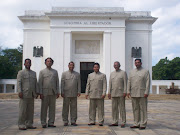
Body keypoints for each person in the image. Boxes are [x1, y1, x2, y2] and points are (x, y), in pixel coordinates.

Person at [127, 59, 150, 130]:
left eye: (138, 62)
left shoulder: (145, 71)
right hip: (133, 93)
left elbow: (147, 82)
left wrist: (146, 92)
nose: (137, 64)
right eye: (136, 63)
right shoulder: (131, 72)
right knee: (135, 109)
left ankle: (143, 124)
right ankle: (136, 123)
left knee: (143, 109)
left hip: (142, 93)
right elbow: (129, 82)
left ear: (141, 63)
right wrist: (128, 91)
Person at [17, 58, 38, 130]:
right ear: (24, 64)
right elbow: (19, 82)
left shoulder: (33, 73)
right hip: (24, 93)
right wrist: (20, 91)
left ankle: (29, 123)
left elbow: (35, 83)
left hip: (31, 94)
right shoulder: (21, 72)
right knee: (23, 110)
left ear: (31, 64)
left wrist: (36, 92)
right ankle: (21, 124)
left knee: (30, 110)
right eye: (27, 63)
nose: (28, 64)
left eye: (29, 63)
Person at [39, 57, 60, 128]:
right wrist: (40, 93)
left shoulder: (55, 72)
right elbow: (40, 83)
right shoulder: (42, 72)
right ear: (45, 63)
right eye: (47, 61)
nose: (49, 62)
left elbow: (57, 82)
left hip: (53, 92)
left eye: (50, 61)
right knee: (44, 109)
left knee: (52, 109)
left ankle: (51, 122)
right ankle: (43, 122)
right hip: (45, 93)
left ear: (52, 63)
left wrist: (57, 91)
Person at [61, 61, 81, 126]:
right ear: (68, 66)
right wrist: (62, 91)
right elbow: (62, 83)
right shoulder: (64, 74)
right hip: (66, 93)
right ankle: (65, 121)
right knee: (65, 108)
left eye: (72, 65)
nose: (71, 67)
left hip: (74, 93)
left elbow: (79, 83)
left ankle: (73, 121)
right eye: (70, 65)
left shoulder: (77, 74)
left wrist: (79, 91)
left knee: (74, 108)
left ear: (74, 66)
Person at [108, 61, 127, 127]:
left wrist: (125, 91)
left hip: (121, 93)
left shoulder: (123, 73)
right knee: (114, 108)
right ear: (113, 66)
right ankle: (114, 121)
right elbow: (110, 83)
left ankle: (123, 121)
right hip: (113, 93)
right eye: (115, 65)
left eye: (117, 65)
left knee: (122, 108)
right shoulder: (112, 73)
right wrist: (109, 92)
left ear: (119, 65)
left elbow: (125, 83)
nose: (116, 66)